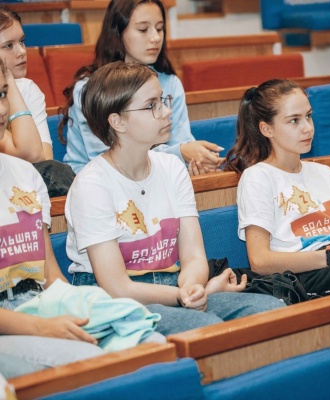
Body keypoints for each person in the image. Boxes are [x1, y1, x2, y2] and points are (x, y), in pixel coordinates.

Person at [66, 61, 284, 336]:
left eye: (163, 101)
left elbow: (193, 256)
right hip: (113, 303)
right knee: (204, 328)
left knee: (271, 310)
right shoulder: (91, 184)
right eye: (152, 105)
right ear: (117, 121)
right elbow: (117, 287)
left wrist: (193, 288)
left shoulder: (171, 168)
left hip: (173, 285)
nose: (166, 111)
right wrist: (185, 296)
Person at [0, 58, 105, 379]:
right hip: (10, 322)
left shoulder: (24, 174)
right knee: (90, 362)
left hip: (36, 303)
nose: (3, 109)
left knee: (144, 337)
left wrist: (91, 306)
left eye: (3, 93)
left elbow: (50, 277)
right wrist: (43, 327)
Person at [224, 79, 330, 299]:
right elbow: (260, 261)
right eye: (294, 120)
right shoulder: (257, 177)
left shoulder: (324, 172)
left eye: (308, 116)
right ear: (267, 129)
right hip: (305, 275)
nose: (307, 128)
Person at [60, 0, 224, 174]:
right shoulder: (90, 89)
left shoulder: (170, 82)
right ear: (117, 33)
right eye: (143, 30)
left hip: (156, 175)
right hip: (96, 179)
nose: (156, 38)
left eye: (160, 29)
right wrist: (181, 153)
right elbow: (110, 157)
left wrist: (195, 162)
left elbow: (181, 141)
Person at [0, 7, 52, 162]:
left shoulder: (27, 88)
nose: (22, 52)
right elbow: (31, 154)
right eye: (9, 45)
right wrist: (7, 77)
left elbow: (45, 161)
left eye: (22, 42)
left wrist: (9, 80)